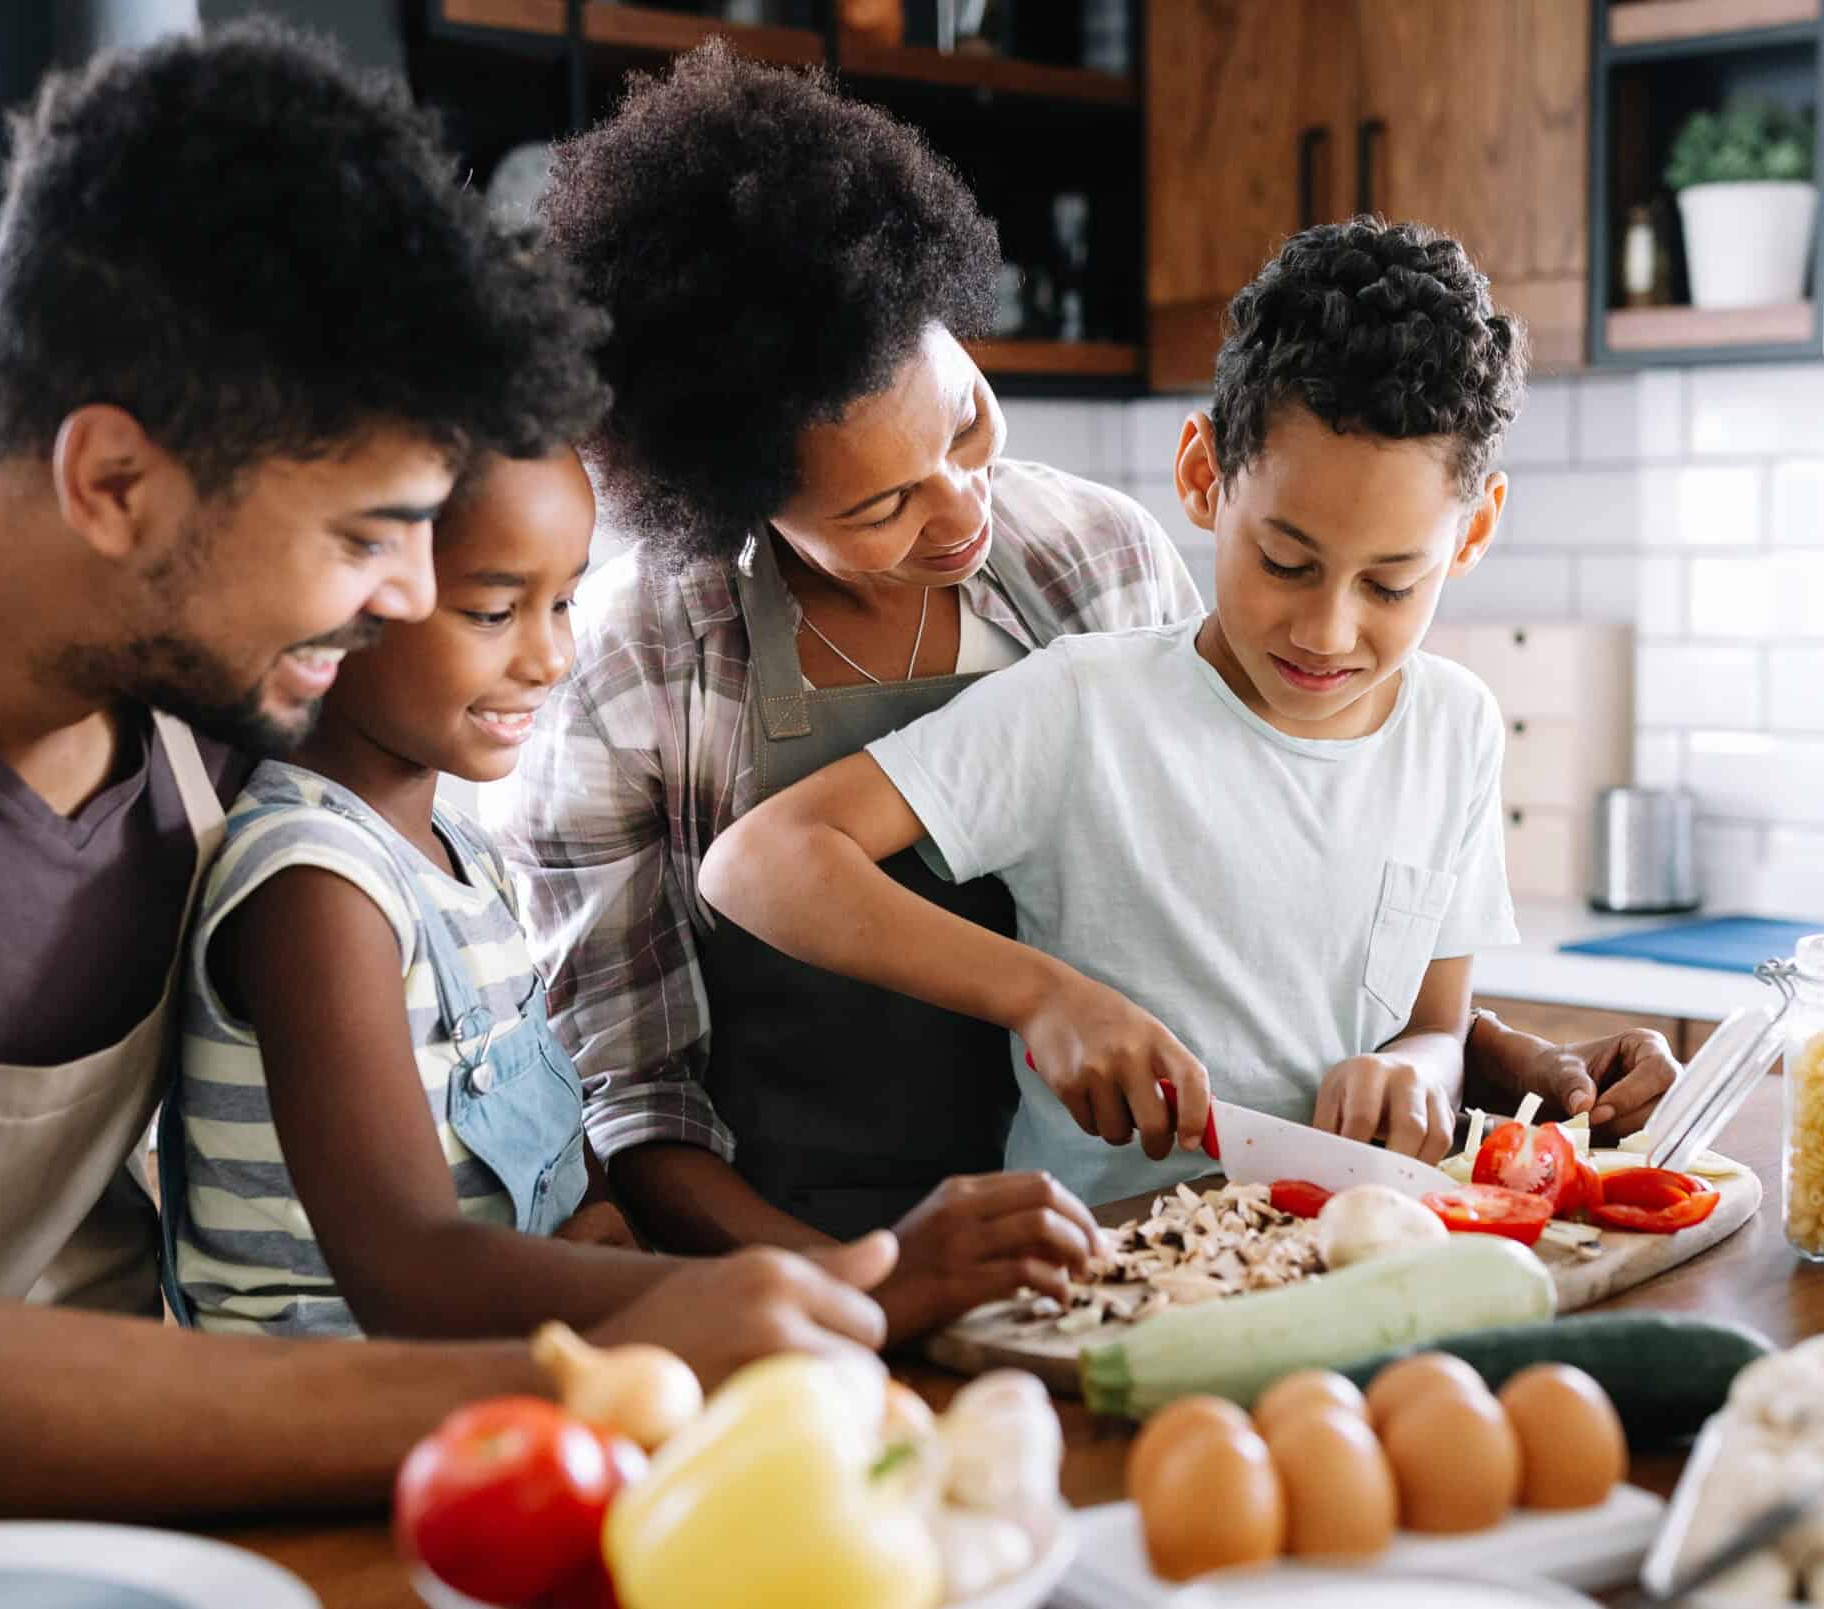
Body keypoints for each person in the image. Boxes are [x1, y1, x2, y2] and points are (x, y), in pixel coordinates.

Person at [0, 26, 889, 1595]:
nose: (406, 602)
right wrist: (585, 1373)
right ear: (110, 482)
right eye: (370, 536)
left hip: (132, 1546)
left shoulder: (220, 694)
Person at [490, 51, 1679, 1307]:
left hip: (1110, 1239)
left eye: (965, 425)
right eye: (886, 501)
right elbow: (634, 1101)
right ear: (737, 494)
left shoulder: (1090, 558)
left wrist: (1470, 1052)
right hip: (797, 1251)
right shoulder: (635, 663)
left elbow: (1233, 893)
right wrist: (859, 1287)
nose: (964, 515)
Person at [700, 219, 1616, 1206]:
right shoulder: (1083, 706)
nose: (1326, 628)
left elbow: (1436, 1021)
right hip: (1111, 1269)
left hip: (1354, 1246)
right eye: (1285, 562)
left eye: (1390, 585)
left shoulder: (1458, 726)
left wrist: (1417, 1074)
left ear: (1472, 534)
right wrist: (1044, 997)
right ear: (1202, 477)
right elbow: (757, 865)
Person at [163, 446, 804, 1339]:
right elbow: (409, 1267)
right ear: (330, 600)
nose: (554, 656)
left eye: (564, 601)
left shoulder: (460, 851)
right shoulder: (316, 886)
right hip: (331, 1424)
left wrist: (605, 1231)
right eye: (495, 611)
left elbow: (552, 1142)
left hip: (488, 1369)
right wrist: (746, 1293)